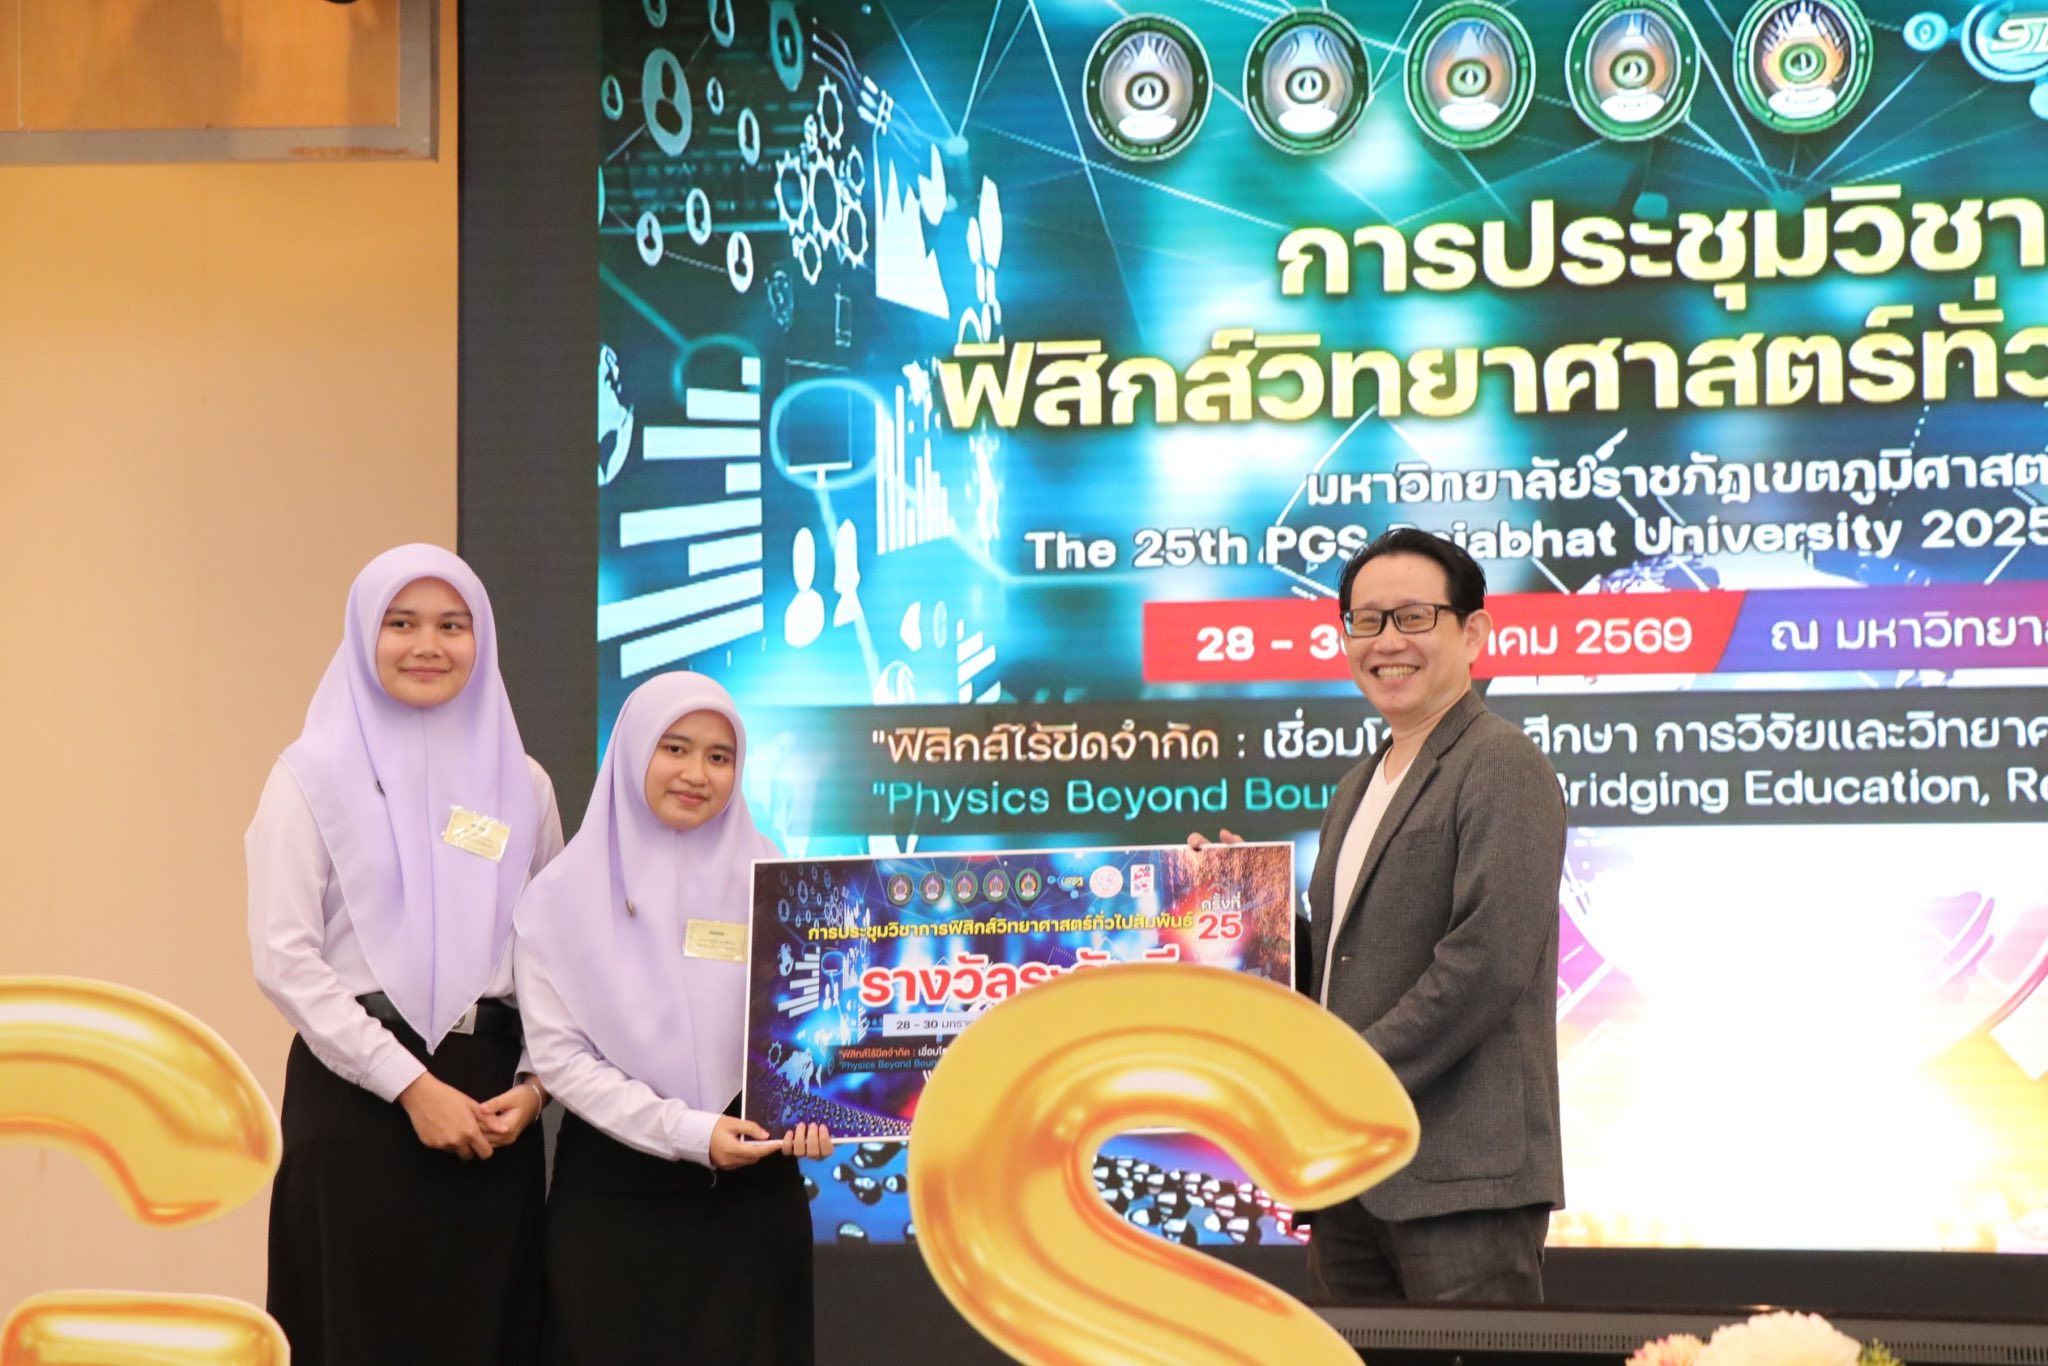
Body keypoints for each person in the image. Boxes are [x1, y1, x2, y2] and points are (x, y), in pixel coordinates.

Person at [1196, 527, 1566, 1302]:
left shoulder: (1502, 764)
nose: (1387, 641)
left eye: (1413, 617)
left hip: (1459, 1183)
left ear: (1473, 633)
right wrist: (1254, 912)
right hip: (1350, 1179)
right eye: (1366, 621)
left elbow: (1486, 964)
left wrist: (1346, 1077)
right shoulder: (1356, 787)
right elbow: (1343, 969)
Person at [247, 544, 563, 1364]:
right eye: (402, 623)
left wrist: (535, 1087)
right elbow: (284, 958)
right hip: (356, 1101)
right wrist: (412, 1087)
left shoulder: (524, 785)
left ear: (481, 638)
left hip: (493, 1113)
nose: (428, 645)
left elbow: (555, 959)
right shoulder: (309, 776)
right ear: (365, 635)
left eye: (452, 625)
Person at [513, 671, 831, 1364]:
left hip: (751, 1200)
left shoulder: (777, 878)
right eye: (675, 748)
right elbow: (562, 1062)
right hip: (617, 1202)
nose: (696, 774)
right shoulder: (556, 900)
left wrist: (813, 1111)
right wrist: (688, 1132)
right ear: (632, 752)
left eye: (719, 756)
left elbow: (807, 1032)